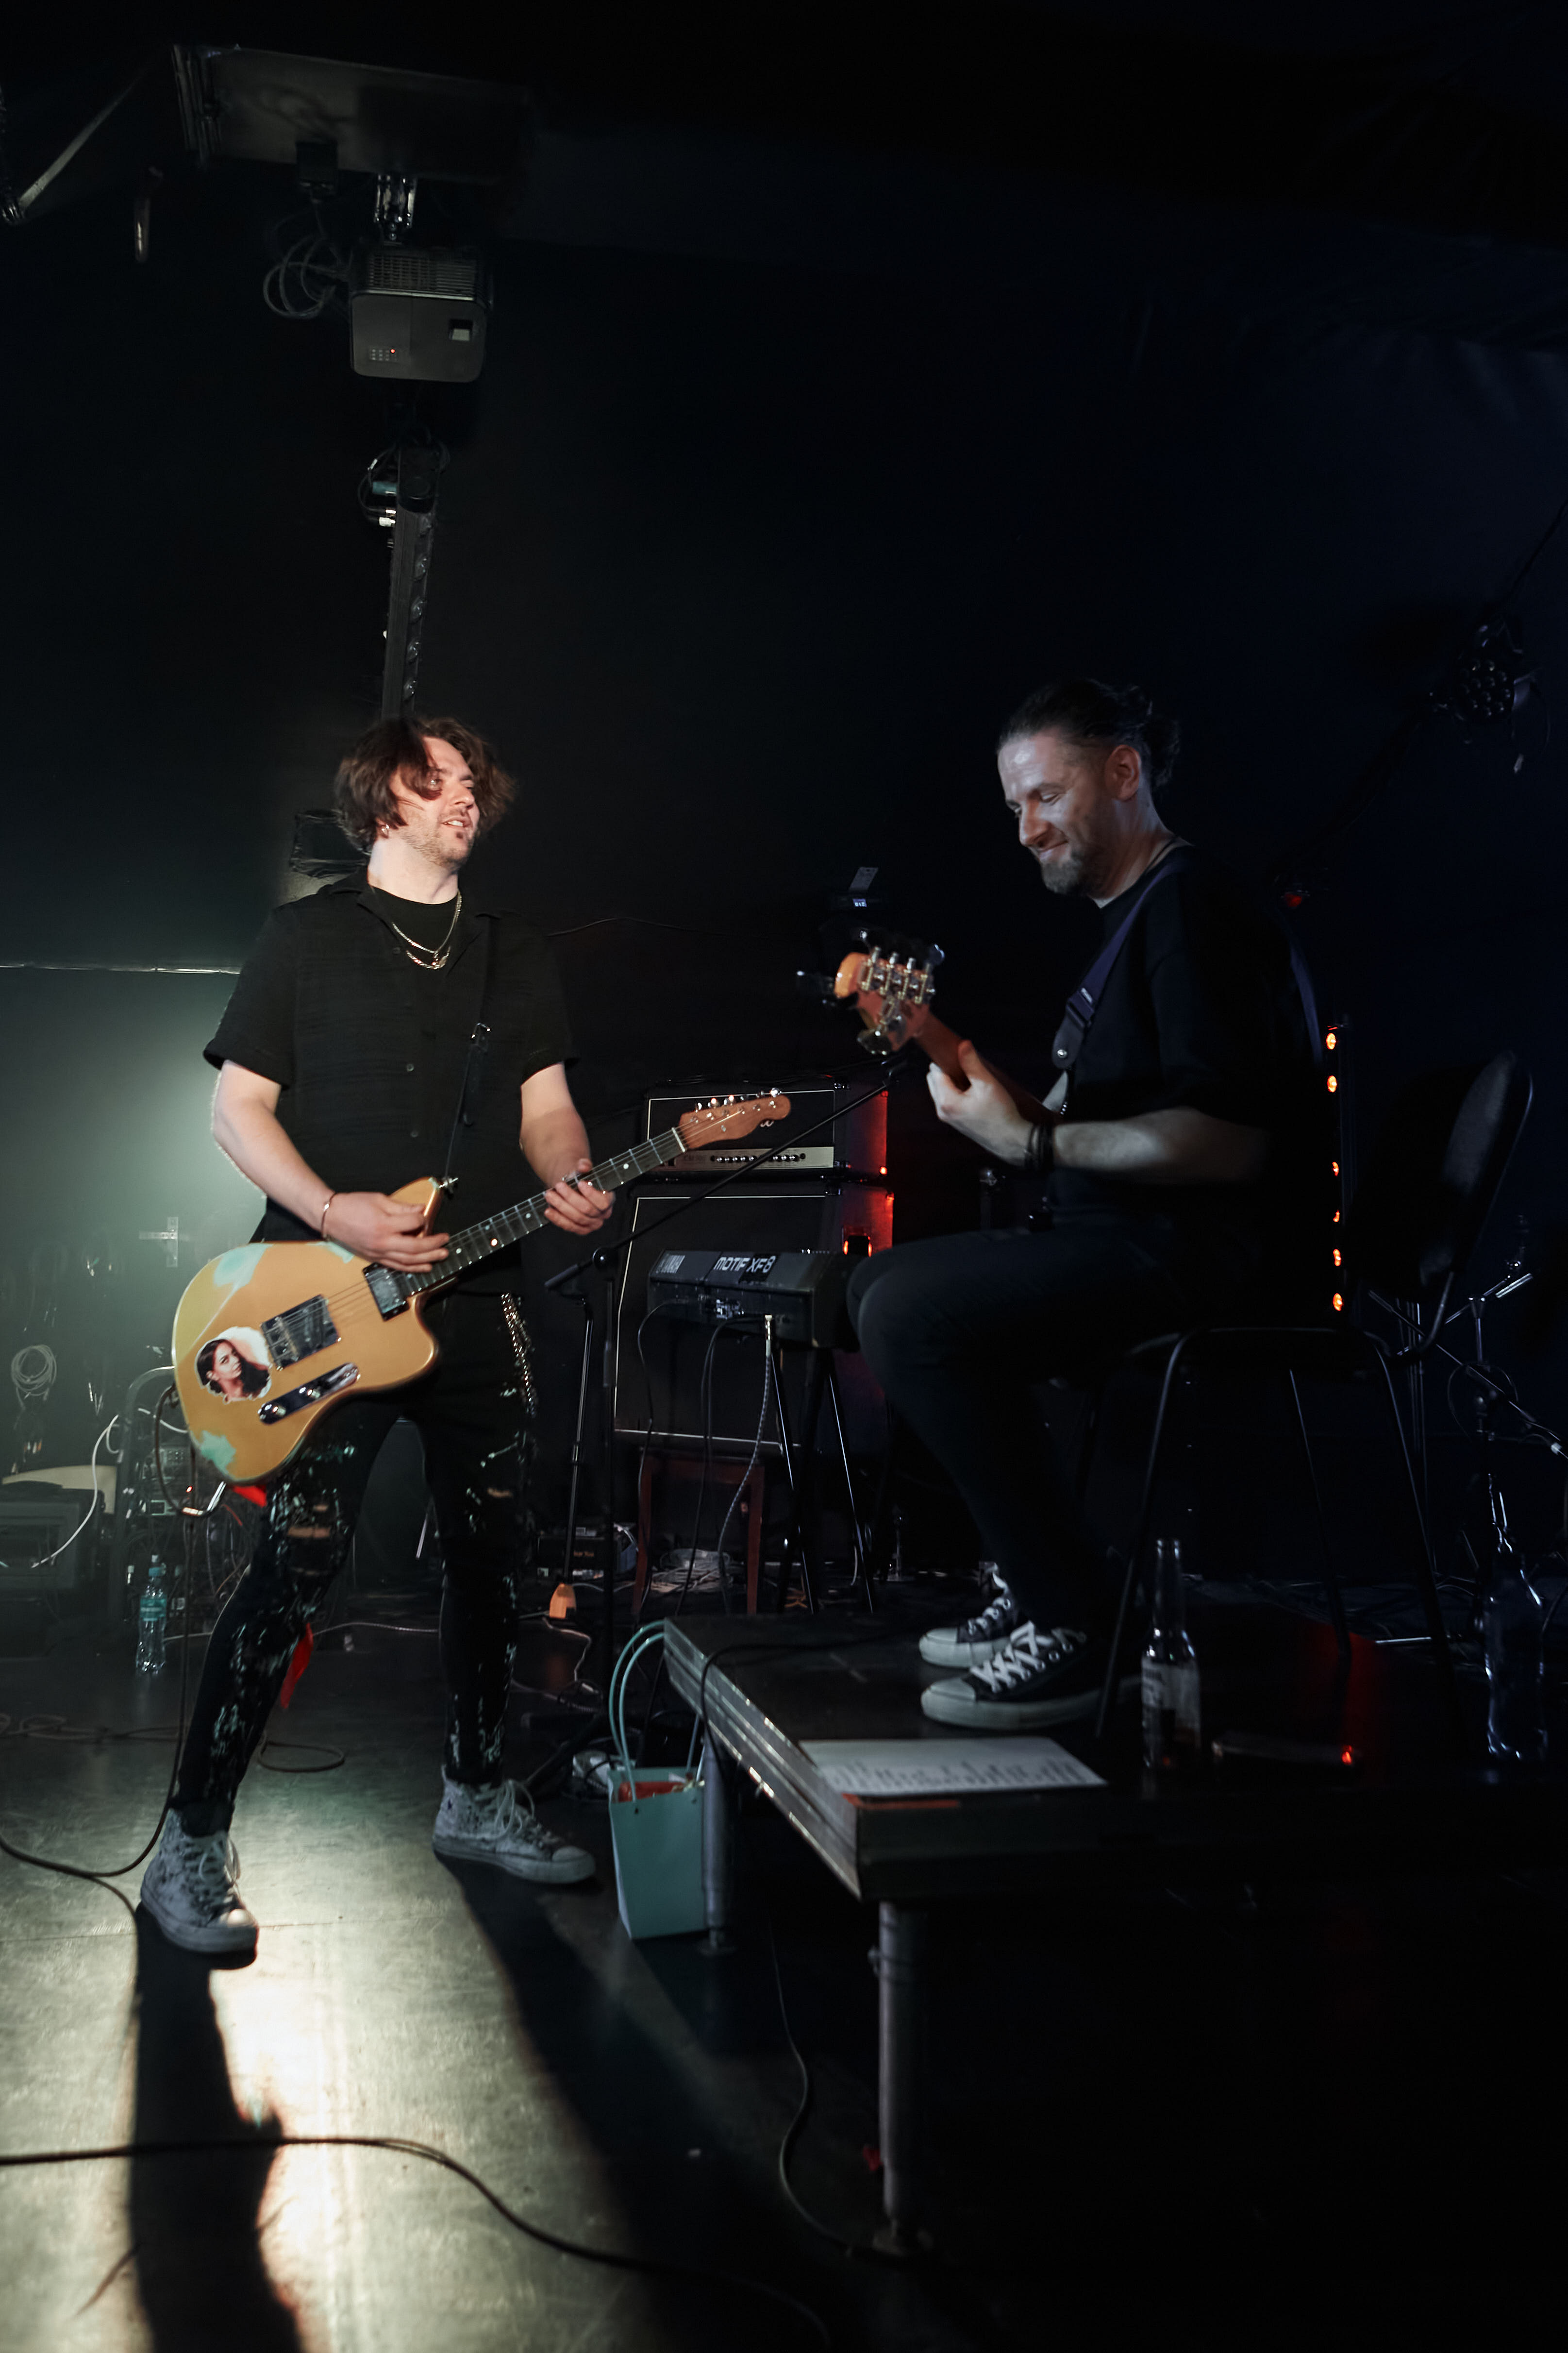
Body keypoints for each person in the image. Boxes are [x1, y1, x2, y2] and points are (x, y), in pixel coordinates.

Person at [140, 715, 614, 1955]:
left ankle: (476, 1790)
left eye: (472, 781)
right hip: (321, 1301)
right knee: (295, 1562)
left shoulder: (513, 952)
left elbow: (548, 1107)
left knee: (494, 1555)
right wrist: (330, 1208)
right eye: (435, 780)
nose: (464, 797)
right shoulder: (304, 938)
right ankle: (190, 1838)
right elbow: (236, 1107)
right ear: (381, 802)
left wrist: (569, 1172)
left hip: (477, 1295)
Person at [848, 679, 1321, 1731]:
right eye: (1013, 806)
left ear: (1123, 771)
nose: (1026, 829)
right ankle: (1045, 1573)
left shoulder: (1193, 909)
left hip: (1200, 1253)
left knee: (907, 1312)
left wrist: (1033, 1143)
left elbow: (1230, 1140)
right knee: (876, 1288)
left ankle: (1075, 1617)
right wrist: (935, 1042)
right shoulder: (1140, 920)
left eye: (1045, 795)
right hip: (1129, 1234)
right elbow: (1068, 1123)